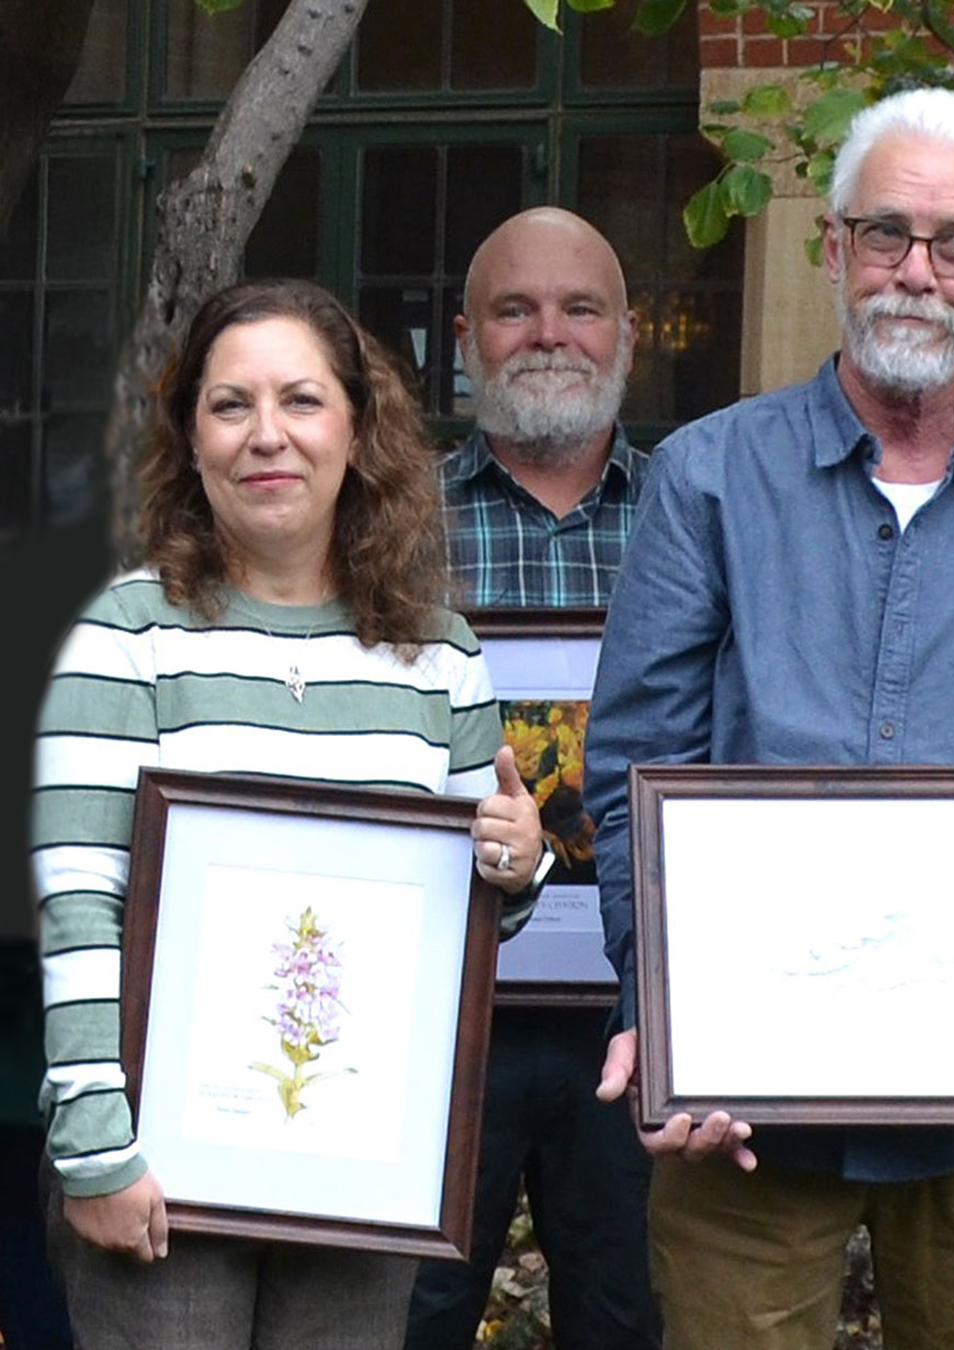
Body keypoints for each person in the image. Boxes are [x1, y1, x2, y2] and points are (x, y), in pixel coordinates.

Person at [581, 87, 954, 1350]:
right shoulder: (708, 477)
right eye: (886, 233)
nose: (917, 271)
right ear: (834, 249)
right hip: (738, 1111)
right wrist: (664, 1009)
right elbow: (634, 773)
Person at [32, 277, 547, 1350]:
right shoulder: (127, 640)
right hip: (157, 1171)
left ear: (359, 430)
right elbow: (79, 911)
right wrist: (96, 1155)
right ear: (191, 439)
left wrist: (516, 865)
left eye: (303, 401)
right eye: (230, 405)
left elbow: (463, 925)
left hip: (363, 1175)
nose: (268, 436)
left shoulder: (437, 654)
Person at [408, 208, 659, 1350]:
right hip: (434, 1007)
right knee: (408, 1316)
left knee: (633, 1317)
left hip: (641, 1013)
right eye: (514, 310)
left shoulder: (700, 514)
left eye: (580, 309)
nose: (547, 335)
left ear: (631, 335)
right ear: (465, 338)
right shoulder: (383, 525)